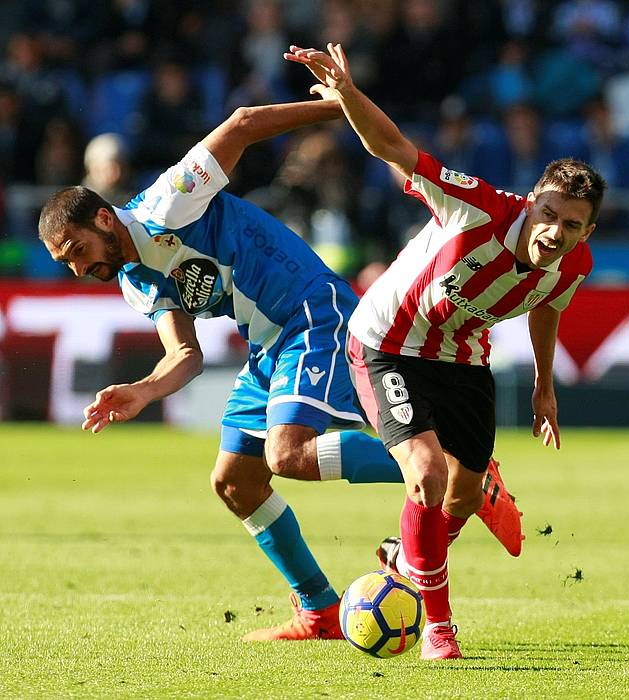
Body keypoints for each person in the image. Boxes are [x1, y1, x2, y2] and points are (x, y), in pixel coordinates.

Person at [38, 94, 521, 643]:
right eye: (67, 263)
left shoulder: (169, 202)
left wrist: (342, 108)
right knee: (235, 481)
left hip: (315, 313)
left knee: (285, 453)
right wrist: (143, 391)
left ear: (104, 216)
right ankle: (318, 611)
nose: (79, 268)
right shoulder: (136, 281)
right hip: (268, 344)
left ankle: (462, 475)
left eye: (78, 249)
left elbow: (242, 125)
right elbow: (185, 355)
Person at [285, 42, 606, 660]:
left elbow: (545, 310)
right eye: (548, 214)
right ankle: (438, 626)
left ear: (586, 233)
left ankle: (405, 557)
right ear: (532, 200)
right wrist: (349, 95)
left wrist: (544, 387)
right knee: (428, 474)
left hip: (462, 356)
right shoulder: (475, 206)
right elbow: (394, 149)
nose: (553, 232)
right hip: (386, 346)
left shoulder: (574, 266)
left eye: (570, 226)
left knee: (459, 492)